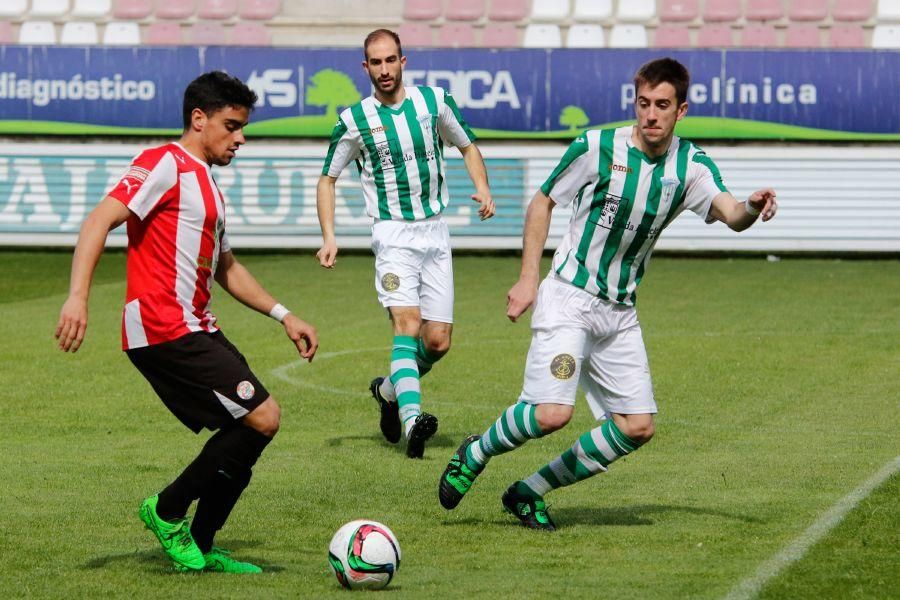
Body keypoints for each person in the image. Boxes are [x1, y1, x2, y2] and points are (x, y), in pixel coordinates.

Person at [438, 57, 778, 530]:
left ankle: (528, 491)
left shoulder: (690, 166)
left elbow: (729, 213)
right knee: (552, 413)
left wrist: (751, 206)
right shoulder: (597, 147)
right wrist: (528, 277)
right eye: (643, 104)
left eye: (662, 105)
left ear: (681, 110)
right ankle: (476, 452)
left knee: (637, 427)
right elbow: (544, 201)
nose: (651, 115)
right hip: (570, 298)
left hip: (620, 313)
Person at [55, 71, 319, 571]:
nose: (240, 138)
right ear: (199, 119)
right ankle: (168, 509)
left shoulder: (211, 188)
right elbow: (98, 220)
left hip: (197, 325)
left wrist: (285, 315)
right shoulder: (163, 164)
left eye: (243, 128)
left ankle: (198, 544)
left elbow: (227, 268)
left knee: (253, 428)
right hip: (161, 327)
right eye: (231, 125)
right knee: (262, 416)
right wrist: (77, 297)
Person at [316, 29, 495, 459]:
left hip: (435, 231)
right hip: (392, 233)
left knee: (437, 342)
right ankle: (415, 420)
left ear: (403, 61)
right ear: (365, 67)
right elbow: (328, 178)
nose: (383, 70)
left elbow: (467, 146)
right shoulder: (354, 120)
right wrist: (329, 236)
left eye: (390, 60)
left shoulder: (433, 103)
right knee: (407, 324)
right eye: (375, 62)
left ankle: (389, 391)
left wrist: (483, 189)